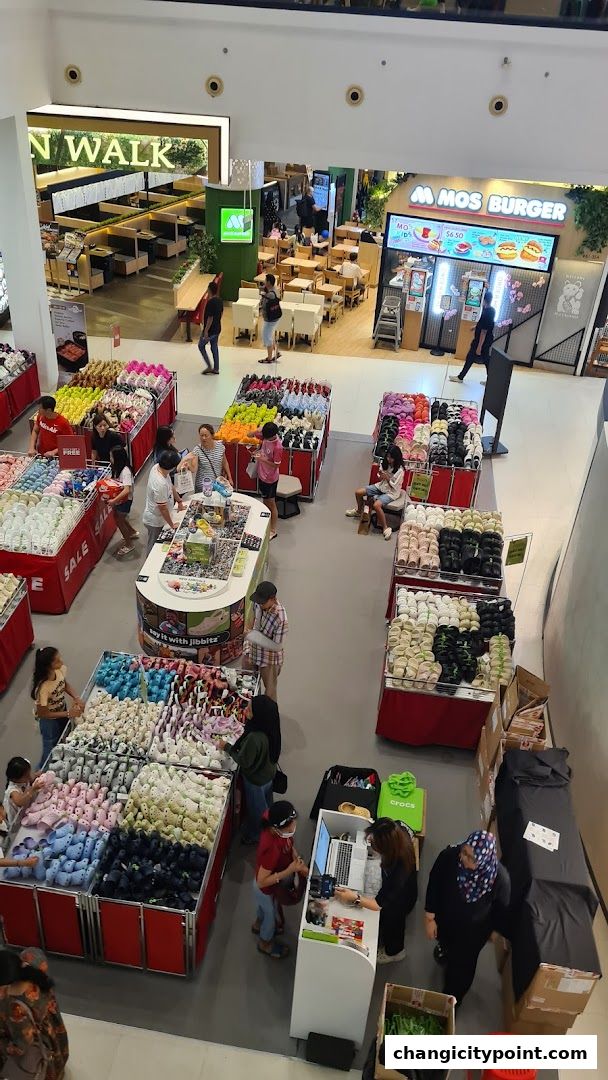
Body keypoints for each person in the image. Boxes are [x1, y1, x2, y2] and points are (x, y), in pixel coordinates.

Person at [424, 829, 510, 1005]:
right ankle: (445, 950)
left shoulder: (499, 879)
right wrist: (430, 918)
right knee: (445, 942)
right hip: (446, 919)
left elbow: (502, 909)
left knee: (461, 969)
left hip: (472, 933)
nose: (463, 858)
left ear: (484, 860)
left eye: (471, 858)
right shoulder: (449, 857)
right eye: (464, 851)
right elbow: (435, 882)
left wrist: (494, 931)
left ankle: (451, 1002)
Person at [335, 818, 418, 964]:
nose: (370, 842)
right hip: (400, 887)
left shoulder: (399, 870)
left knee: (393, 925)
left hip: (400, 902)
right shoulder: (397, 829)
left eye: (374, 844)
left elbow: (378, 904)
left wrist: (354, 897)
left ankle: (394, 953)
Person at [218, 694, 281, 844]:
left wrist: (226, 747)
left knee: (256, 810)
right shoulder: (271, 728)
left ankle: (255, 835)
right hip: (268, 775)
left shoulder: (255, 738)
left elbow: (244, 761)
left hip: (255, 780)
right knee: (266, 801)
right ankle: (271, 819)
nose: (245, 710)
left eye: (249, 709)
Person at [0, 947, 69, 1079]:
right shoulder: (31, 968)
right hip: (51, 1029)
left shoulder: (16, 1009)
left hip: (37, 1043)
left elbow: (21, 1046)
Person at [254, 801, 308, 959]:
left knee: (263, 908)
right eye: (290, 827)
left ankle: (257, 923)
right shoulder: (271, 848)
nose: (294, 828)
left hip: (266, 884)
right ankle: (265, 943)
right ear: (277, 829)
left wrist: (294, 857)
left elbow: (289, 844)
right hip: (266, 888)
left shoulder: (273, 821)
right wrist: (289, 871)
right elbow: (261, 882)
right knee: (270, 915)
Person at [31, 647, 84, 767]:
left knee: (64, 734)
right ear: (48, 666)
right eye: (57, 660)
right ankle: (41, 771)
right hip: (49, 721)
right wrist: (68, 714)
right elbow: (43, 714)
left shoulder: (59, 670)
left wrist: (76, 697)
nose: (61, 662)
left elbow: (64, 684)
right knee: (50, 747)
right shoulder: (43, 689)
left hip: (61, 709)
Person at [345, 444, 405, 540]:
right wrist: (381, 476)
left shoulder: (400, 471)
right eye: (388, 457)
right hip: (381, 487)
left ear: (396, 458)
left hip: (391, 492)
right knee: (358, 492)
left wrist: (387, 478)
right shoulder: (384, 463)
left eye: (391, 458)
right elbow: (379, 476)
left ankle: (385, 527)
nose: (389, 459)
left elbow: (394, 486)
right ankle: (359, 511)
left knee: (377, 505)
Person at [245, 581, 288, 702]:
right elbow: (253, 617)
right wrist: (250, 635)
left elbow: (277, 646)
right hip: (253, 650)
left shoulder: (280, 618)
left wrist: (252, 636)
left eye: (262, 602)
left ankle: (269, 717)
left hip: (269, 659)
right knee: (246, 683)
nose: (259, 604)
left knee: (270, 692)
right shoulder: (258, 603)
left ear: (272, 599)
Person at [142, 449, 184, 555]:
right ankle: (147, 569)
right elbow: (163, 508)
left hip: (162, 517)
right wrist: (171, 524)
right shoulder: (160, 484)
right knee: (154, 546)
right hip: (155, 521)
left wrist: (179, 500)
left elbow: (170, 485)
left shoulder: (158, 467)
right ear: (172, 467)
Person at [450, 290, 495, 386]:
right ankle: (491, 380)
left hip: (482, 341)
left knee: (477, 358)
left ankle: (460, 377)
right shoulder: (488, 310)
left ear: (484, 299)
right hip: (484, 340)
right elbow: (484, 324)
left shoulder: (488, 312)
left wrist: (479, 346)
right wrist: (475, 327)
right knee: (482, 359)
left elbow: (484, 331)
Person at [248, 420, 282, 540]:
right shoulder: (265, 435)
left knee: (271, 503)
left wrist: (262, 459)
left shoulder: (278, 447)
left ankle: (273, 530)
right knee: (265, 500)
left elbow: (276, 465)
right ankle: (265, 523)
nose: (264, 438)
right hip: (262, 475)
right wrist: (258, 430)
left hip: (270, 478)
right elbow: (249, 435)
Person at [178, 423, 233, 493]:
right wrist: (187, 463)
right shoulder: (197, 450)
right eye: (201, 436)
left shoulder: (220, 446)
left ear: (212, 435)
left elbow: (225, 462)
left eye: (206, 435)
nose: (203, 438)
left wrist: (230, 478)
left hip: (217, 485)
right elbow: (194, 469)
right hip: (203, 487)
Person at [106, 444, 138, 557]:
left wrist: (114, 500)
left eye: (112, 457)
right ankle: (132, 532)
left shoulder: (125, 471)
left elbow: (126, 490)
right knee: (119, 517)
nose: (110, 459)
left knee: (119, 520)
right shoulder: (117, 469)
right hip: (121, 500)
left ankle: (129, 544)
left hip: (125, 501)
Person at [3, 758, 45, 831]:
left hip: (27, 811)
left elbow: (31, 781)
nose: (29, 777)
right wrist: (33, 789)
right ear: (15, 779)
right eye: (26, 776)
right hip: (16, 821)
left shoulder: (24, 779)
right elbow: (20, 802)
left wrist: (36, 776)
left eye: (29, 774)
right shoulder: (12, 790)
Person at [199, 280, 223, 376]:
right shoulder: (220, 301)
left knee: (201, 345)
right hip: (217, 328)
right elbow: (221, 314)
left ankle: (209, 366)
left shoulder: (210, 302)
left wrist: (206, 331)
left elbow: (210, 318)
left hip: (210, 330)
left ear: (209, 290)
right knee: (214, 347)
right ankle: (216, 368)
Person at [258, 273, 282, 366]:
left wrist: (263, 296)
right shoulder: (275, 290)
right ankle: (276, 353)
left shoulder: (270, 294)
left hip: (270, 319)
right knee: (269, 336)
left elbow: (263, 305)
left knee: (266, 337)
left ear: (268, 282)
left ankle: (269, 358)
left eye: (265, 280)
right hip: (275, 317)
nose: (264, 282)